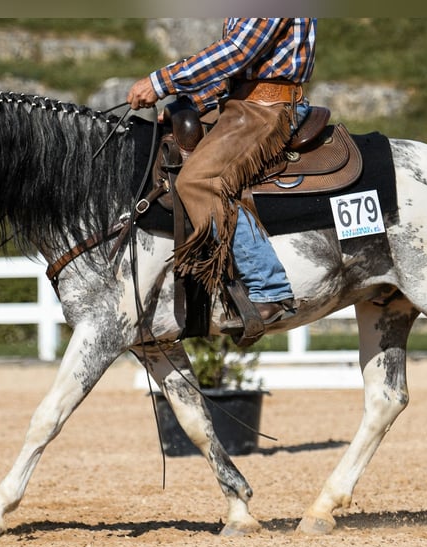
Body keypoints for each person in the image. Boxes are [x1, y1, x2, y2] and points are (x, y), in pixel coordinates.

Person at [127, 18, 316, 332]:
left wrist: (161, 82)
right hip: (242, 103)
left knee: (199, 180)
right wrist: (194, 102)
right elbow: (238, 71)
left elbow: (238, 52)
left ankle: (268, 289)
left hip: (270, 107)